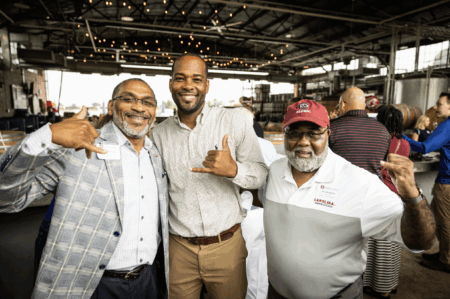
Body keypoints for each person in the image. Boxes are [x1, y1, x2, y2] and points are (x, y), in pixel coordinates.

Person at [0, 78, 169, 299]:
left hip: (147, 282)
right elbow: (6, 200)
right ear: (111, 106)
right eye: (128, 99)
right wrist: (46, 137)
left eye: (147, 102)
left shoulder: (155, 154)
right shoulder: (76, 148)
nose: (139, 107)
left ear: (154, 111)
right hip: (90, 286)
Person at [264, 99, 436, 299]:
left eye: (313, 133)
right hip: (276, 293)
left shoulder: (360, 182)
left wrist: (413, 197)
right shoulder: (275, 170)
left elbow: (421, 241)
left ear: (328, 134)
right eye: (294, 132)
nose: (303, 141)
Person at [150, 53, 268, 299]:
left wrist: (234, 170)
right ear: (171, 84)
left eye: (196, 79)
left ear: (206, 85)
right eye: (180, 78)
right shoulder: (157, 135)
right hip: (179, 248)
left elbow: (260, 174)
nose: (188, 85)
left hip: (226, 246)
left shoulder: (233, 120)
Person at [363, 106, 411, 298]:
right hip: (396, 196)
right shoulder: (404, 144)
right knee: (392, 244)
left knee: (375, 244)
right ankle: (389, 285)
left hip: (378, 196)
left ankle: (377, 288)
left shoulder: (376, 141)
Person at [403, 92, 450, 274]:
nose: (435, 108)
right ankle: (443, 253)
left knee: (444, 222)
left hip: (447, 182)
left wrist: (400, 136)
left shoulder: (447, 125)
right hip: (446, 180)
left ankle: (446, 260)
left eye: (439, 104)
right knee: (439, 218)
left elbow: (424, 147)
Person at [330, 87, 391, 179]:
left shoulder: (331, 129)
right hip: (374, 190)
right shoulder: (383, 130)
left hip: (341, 189)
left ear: (343, 104)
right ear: (364, 105)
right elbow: (383, 164)